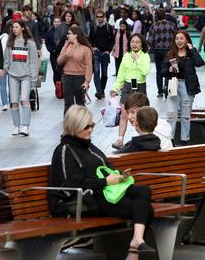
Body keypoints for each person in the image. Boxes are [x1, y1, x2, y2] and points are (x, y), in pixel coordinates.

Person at [48, 105, 156, 258]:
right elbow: (69, 187)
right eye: (87, 126)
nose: (91, 129)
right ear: (75, 126)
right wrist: (105, 182)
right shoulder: (65, 150)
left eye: (92, 125)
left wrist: (118, 176)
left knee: (144, 191)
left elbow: (105, 168)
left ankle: (136, 241)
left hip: (106, 193)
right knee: (146, 210)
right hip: (88, 200)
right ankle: (133, 251)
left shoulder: (88, 146)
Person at [161, 30, 204, 145]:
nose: (179, 41)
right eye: (177, 39)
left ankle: (185, 139)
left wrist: (193, 49)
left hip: (187, 87)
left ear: (187, 40)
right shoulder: (170, 53)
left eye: (181, 38)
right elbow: (162, 71)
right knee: (171, 114)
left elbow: (200, 63)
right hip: (173, 86)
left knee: (185, 115)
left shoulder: (191, 54)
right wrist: (169, 70)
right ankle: (170, 140)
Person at [109, 33, 151, 149]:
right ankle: (119, 140)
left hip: (140, 86)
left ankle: (145, 138)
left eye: (137, 42)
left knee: (140, 115)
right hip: (127, 87)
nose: (135, 44)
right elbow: (121, 74)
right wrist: (115, 88)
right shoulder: (126, 55)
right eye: (132, 42)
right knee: (124, 114)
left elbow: (146, 71)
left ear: (142, 44)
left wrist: (137, 60)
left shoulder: (145, 56)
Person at [4, 20, 39, 136]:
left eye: (17, 27)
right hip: (13, 75)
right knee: (14, 101)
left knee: (24, 100)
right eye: (13, 27)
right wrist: (5, 70)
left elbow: (34, 62)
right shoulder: (10, 43)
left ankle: (25, 126)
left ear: (23, 28)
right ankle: (16, 126)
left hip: (26, 76)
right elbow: (7, 60)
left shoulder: (30, 43)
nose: (14, 29)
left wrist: (33, 79)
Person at [57, 25, 93, 114]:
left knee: (80, 104)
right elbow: (59, 61)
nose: (67, 36)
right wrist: (66, 55)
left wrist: (87, 82)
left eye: (69, 34)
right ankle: (69, 125)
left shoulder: (86, 49)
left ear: (76, 35)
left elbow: (89, 66)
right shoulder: (66, 45)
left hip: (80, 78)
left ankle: (82, 123)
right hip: (66, 77)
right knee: (68, 103)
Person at [147, 8, 178, 97]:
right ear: (165, 15)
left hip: (158, 51)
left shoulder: (154, 26)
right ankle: (167, 86)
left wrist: (152, 48)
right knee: (171, 69)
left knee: (159, 71)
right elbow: (177, 37)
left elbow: (150, 40)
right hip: (170, 51)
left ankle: (160, 91)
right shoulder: (172, 25)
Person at [89, 10, 114, 99]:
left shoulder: (109, 27)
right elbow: (90, 38)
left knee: (104, 74)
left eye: (101, 17)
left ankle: (102, 90)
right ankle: (98, 91)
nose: (99, 19)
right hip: (96, 53)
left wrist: (109, 50)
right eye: (98, 17)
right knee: (96, 72)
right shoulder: (93, 27)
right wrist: (93, 47)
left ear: (104, 17)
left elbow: (112, 40)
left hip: (105, 53)